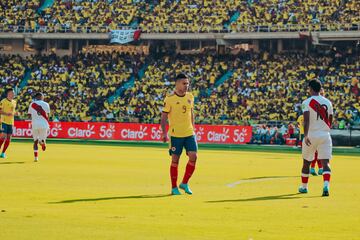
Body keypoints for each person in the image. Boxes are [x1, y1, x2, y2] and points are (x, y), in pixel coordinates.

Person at [161, 73, 198, 195]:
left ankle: (185, 183)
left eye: (187, 83)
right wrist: (164, 133)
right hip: (175, 134)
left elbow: (191, 112)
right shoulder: (169, 99)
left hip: (188, 133)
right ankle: (173, 188)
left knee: (194, 156)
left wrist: (193, 127)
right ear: (177, 84)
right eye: (184, 83)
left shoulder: (190, 97)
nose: (186, 85)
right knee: (175, 160)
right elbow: (163, 117)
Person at [299, 80, 333, 196]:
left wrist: (306, 135)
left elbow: (306, 120)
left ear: (311, 88)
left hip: (312, 135)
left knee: (306, 162)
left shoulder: (306, 102)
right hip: (325, 135)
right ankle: (326, 186)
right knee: (326, 163)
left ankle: (304, 187)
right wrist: (326, 130)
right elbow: (330, 119)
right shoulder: (328, 102)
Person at [28, 92, 50, 162]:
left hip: (35, 124)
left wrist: (34, 117)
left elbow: (29, 115)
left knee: (35, 141)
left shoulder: (32, 104)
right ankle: (43, 142)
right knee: (42, 140)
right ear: (41, 97)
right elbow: (48, 115)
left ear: (36, 97)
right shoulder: (46, 104)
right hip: (44, 125)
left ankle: (36, 158)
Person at [0, 89, 17, 158]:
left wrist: (15, 113)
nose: (13, 94)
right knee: (3, 136)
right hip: (4, 121)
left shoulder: (14, 102)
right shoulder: (3, 101)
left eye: (14, 93)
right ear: (8, 94)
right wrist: (7, 114)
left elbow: (12, 111)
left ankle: (3, 153)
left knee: (9, 138)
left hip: (11, 122)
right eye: (12, 93)